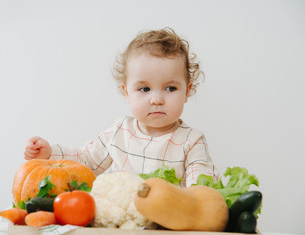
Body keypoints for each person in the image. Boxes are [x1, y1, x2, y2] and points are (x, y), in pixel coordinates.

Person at [23, 27, 218, 187]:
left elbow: (201, 187)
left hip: (168, 227)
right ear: (126, 92)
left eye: (170, 88)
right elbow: (87, 161)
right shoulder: (120, 132)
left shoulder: (191, 142)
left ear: (187, 91)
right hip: (121, 227)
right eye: (144, 89)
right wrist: (50, 153)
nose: (157, 99)